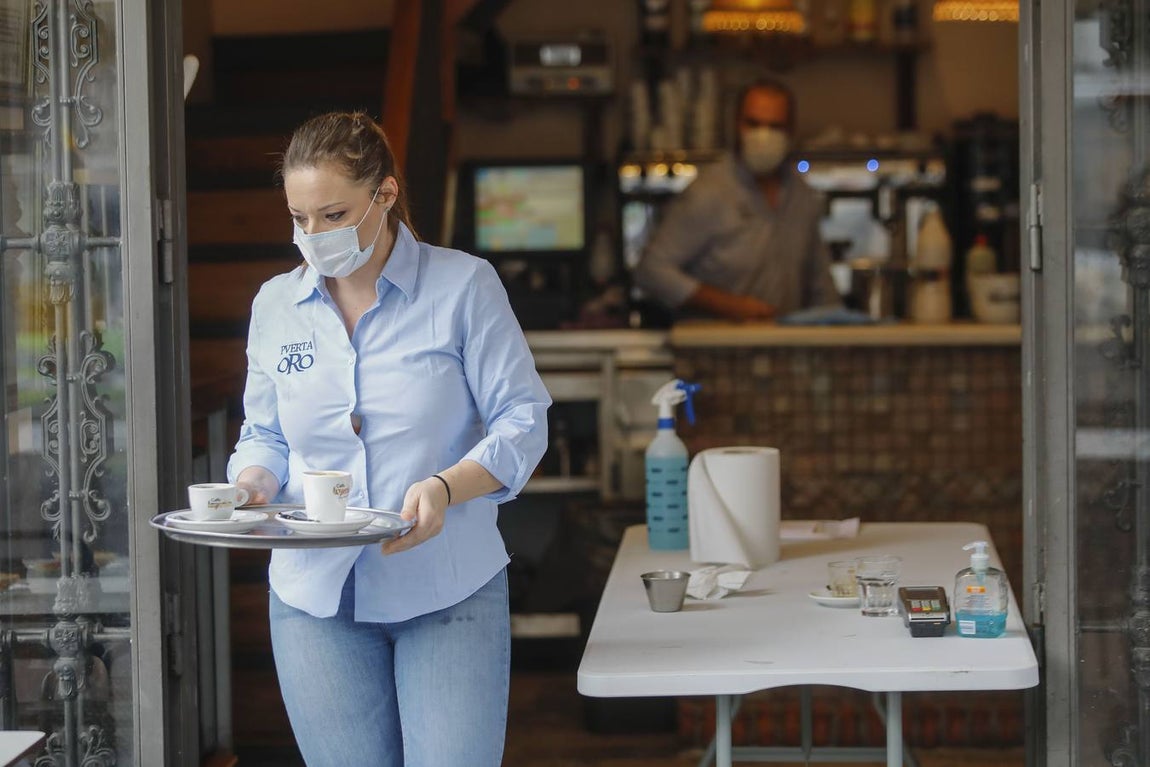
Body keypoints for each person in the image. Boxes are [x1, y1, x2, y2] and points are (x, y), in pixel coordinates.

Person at [226, 111, 551, 767]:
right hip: (314, 598)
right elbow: (263, 434)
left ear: (386, 195)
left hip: (446, 589)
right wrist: (251, 482)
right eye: (300, 218)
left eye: (334, 213)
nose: (314, 235)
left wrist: (443, 486)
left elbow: (523, 419)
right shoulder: (275, 306)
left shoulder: (464, 286)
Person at [634, 78, 840, 321]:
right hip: (715, 351)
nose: (763, 135)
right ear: (736, 125)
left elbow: (821, 287)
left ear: (790, 131)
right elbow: (652, 271)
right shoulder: (709, 192)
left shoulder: (802, 196)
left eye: (775, 126)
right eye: (753, 124)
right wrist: (729, 305)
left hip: (782, 349)